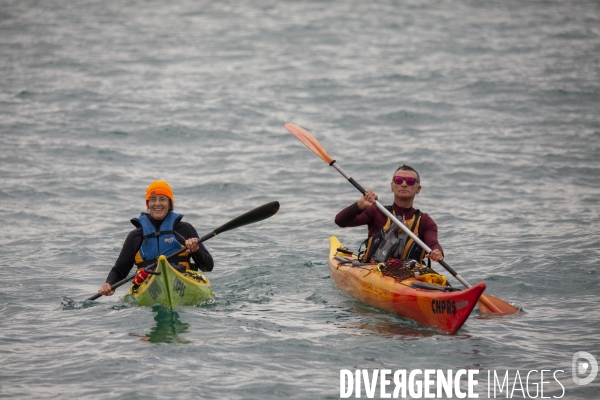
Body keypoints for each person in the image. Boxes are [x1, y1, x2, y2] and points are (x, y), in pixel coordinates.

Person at [97, 180, 214, 296]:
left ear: (170, 203)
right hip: (148, 285)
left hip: (182, 280)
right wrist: (109, 284)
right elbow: (120, 270)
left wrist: (196, 250)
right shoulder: (135, 236)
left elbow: (208, 267)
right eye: (153, 199)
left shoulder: (185, 229)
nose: (157, 203)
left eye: (162, 199)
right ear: (148, 204)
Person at [334, 165, 444, 265]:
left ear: (418, 189)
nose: (404, 184)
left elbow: (434, 244)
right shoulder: (376, 211)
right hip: (374, 270)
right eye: (398, 180)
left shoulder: (425, 221)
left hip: (410, 274)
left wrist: (437, 253)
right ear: (392, 186)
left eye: (410, 181)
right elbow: (340, 221)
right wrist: (359, 205)